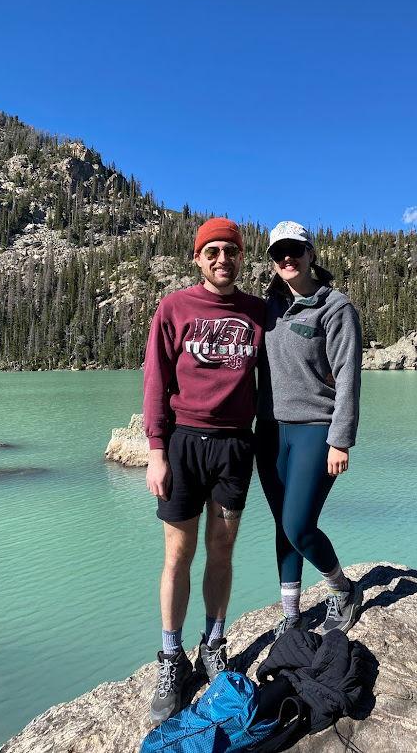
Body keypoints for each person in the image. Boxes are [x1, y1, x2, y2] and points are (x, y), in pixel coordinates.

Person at [142, 217, 265, 724]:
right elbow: (156, 378)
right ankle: (171, 658)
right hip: (184, 442)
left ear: (241, 257)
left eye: (230, 251)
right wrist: (155, 449)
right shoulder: (173, 308)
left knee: (222, 550)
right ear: (197, 258)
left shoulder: (259, 312)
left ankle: (213, 644)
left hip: (235, 447)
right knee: (178, 554)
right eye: (211, 251)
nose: (221, 259)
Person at [255, 220, 363, 640]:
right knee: (283, 524)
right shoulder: (268, 308)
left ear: (311, 253)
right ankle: (291, 612)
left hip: (315, 430)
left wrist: (341, 440)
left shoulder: (335, 308)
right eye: (278, 252)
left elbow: (348, 378)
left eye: (295, 250)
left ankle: (342, 588)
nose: (287, 258)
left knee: (299, 524)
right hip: (268, 431)